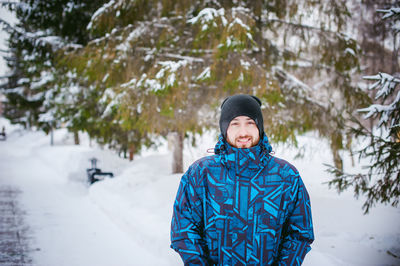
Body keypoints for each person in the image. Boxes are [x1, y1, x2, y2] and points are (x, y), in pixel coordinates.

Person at [170, 94, 314, 265]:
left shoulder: (286, 175)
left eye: (250, 123)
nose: (243, 132)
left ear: (259, 127)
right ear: (225, 129)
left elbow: (300, 234)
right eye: (235, 124)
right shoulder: (201, 173)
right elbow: (184, 230)